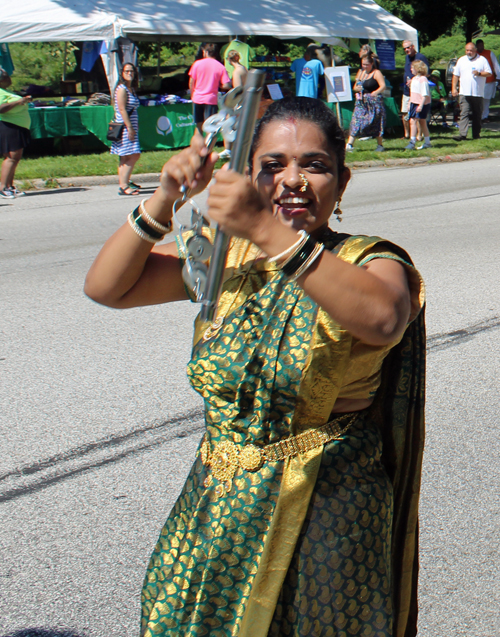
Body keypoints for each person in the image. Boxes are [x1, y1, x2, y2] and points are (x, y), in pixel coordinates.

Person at [84, 97, 425, 637]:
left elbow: (383, 318)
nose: (293, 180)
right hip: (217, 502)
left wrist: (268, 231)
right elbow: (108, 287)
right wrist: (167, 194)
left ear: (342, 179)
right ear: (247, 175)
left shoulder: (369, 259)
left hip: (324, 502)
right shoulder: (228, 259)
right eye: (273, 166)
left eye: (314, 165)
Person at [0, 66, 31, 199]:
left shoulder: (5, 91)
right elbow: (1, 108)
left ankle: (10, 186)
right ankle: (2, 187)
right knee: (11, 157)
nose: (9, 78)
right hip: (9, 126)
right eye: (6, 76)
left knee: (15, 158)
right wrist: (20, 101)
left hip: (17, 126)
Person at [111, 63, 141, 196]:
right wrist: (129, 127)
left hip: (130, 126)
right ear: (122, 73)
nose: (130, 73)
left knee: (125, 156)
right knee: (134, 154)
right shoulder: (122, 89)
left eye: (132, 71)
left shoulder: (131, 89)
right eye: (127, 71)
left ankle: (125, 181)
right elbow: (122, 109)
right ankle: (123, 186)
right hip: (125, 127)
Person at [451, 42, 492, 141]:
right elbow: (456, 75)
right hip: (464, 92)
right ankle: (462, 134)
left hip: (477, 92)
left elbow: (489, 73)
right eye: (467, 50)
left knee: (477, 114)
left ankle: (476, 134)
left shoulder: (482, 60)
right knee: (464, 112)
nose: (469, 52)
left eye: (471, 50)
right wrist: (454, 88)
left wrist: (479, 73)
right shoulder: (461, 60)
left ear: (475, 50)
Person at [346, 54, 387, 151]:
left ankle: (380, 145)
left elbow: (383, 86)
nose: (364, 66)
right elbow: (355, 87)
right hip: (361, 102)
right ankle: (349, 144)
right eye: (363, 64)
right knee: (356, 120)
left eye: (367, 64)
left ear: (372, 64)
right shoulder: (361, 72)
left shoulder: (376, 73)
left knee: (376, 122)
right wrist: (357, 88)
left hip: (374, 102)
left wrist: (375, 92)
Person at [189, 43, 231, 135]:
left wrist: (193, 96)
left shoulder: (197, 64)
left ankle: (199, 148)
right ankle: (207, 148)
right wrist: (218, 85)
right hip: (211, 99)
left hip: (197, 98)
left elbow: (192, 82)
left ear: (205, 52)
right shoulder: (220, 66)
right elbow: (227, 85)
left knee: (198, 127)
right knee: (210, 128)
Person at [219, 51, 249, 160]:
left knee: (227, 125)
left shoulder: (237, 72)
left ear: (229, 60)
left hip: (237, 103)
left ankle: (228, 150)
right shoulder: (244, 68)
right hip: (245, 101)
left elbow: (237, 90)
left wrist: (233, 105)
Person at [401, 41, 429, 139]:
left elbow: (426, 73)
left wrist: (415, 80)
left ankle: (419, 135)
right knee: (405, 112)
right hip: (407, 90)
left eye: (408, 47)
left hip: (418, 92)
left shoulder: (420, 57)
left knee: (417, 117)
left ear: (413, 46)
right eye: (404, 49)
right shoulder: (407, 58)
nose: (406, 50)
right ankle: (407, 134)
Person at [406, 60, 432, 150]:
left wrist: (421, 105)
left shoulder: (423, 79)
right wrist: (410, 102)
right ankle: (427, 142)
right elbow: (412, 93)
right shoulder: (414, 79)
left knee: (413, 121)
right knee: (422, 122)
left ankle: (412, 142)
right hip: (414, 102)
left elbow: (424, 94)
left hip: (421, 103)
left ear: (418, 69)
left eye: (413, 67)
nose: (411, 69)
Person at [475, 39, 500, 122]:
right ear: (476, 46)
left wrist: (498, 77)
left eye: (482, 45)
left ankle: (485, 116)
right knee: (478, 99)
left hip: (489, 81)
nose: (481, 47)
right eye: (479, 45)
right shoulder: (474, 54)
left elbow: (496, 65)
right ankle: (478, 116)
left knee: (486, 100)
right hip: (477, 81)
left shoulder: (489, 53)